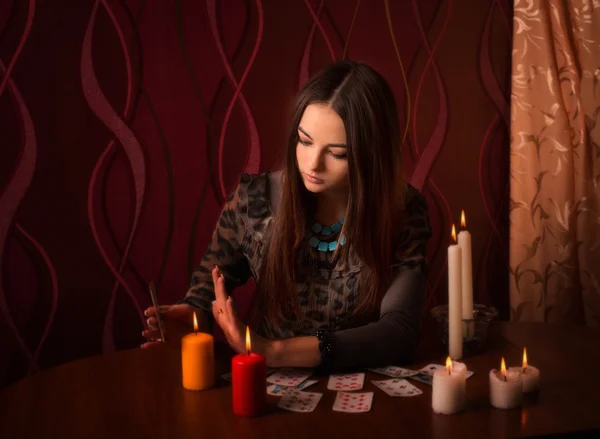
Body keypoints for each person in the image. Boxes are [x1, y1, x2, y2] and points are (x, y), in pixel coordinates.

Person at [142, 60, 432, 372]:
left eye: (337, 154)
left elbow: (399, 332)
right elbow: (206, 289)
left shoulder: (402, 210)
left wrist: (274, 350)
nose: (312, 163)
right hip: (271, 388)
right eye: (304, 141)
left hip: (365, 380)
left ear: (372, 154)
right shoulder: (254, 203)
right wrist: (192, 316)